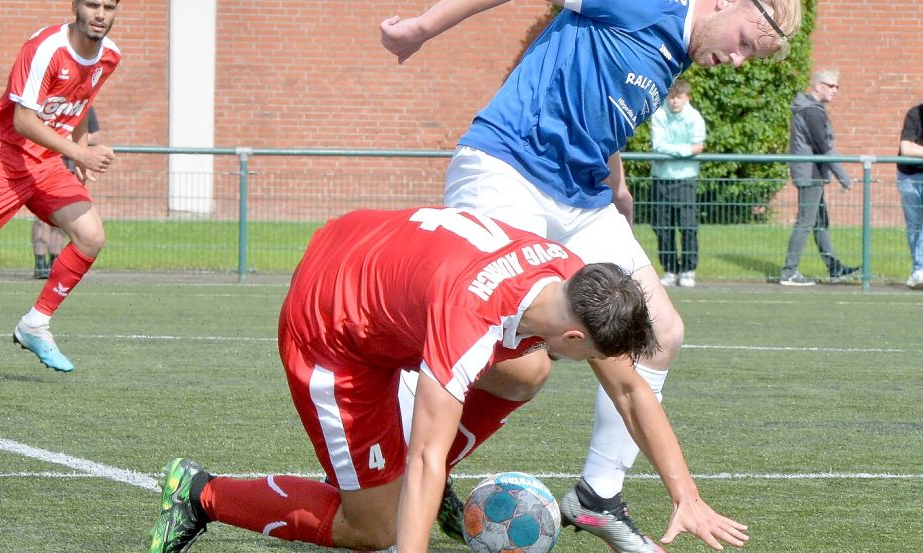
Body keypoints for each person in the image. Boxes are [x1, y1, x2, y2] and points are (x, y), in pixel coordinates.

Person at [380, 0, 800, 551]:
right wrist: (422, 28)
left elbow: (600, 105)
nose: (739, 60)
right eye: (745, 41)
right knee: (504, 349)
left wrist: (618, 184)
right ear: (728, 3)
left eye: (752, 56)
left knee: (660, 333)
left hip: (581, 197)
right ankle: (392, 469)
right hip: (510, 169)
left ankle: (598, 496)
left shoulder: (679, 50)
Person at [148, 206, 753, 553]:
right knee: (377, 528)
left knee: (526, 370)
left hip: (364, 249)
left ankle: (412, 506)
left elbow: (628, 388)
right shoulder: (468, 322)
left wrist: (686, 494)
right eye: (593, 353)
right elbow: (426, 459)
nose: (600, 364)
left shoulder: (568, 274)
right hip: (332, 327)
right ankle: (202, 492)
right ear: (576, 335)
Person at [0, 0, 121, 372]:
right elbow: (23, 120)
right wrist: (79, 153)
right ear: (75, 6)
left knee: (91, 236)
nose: (100, 14)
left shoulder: (110, 56)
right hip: (1, 157)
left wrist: (82, 148)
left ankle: (35, 324)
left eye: (109, 6)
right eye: (92, 4)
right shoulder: (45, 48)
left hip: (46, 163)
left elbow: (82, 102)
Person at [778, 69, 860, 286]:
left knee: (820, 222)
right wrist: (845, 177)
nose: (835, 91)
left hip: (813, 173)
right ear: (817, 85)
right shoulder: (812, 112)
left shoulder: (812, 110)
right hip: (810, 175)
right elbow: (825, 149)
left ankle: (835, 268)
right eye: (831, 86)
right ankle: (789, 272)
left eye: (837, 87)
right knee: (805, 223)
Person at [32, 107, 101, 279]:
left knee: (62, 222)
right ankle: (40, 262)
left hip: (69, 167)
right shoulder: (46, 105)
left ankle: (56, 261)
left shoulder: (83, 105)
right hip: (43, 166)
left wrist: (67, 141)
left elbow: (94, 135)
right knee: (42, 221)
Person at [650, 79, 707, 288]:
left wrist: (670, 151)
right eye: (671, 97)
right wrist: (684, 151)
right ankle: (670, 269)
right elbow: (657, 145)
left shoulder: (694, 117)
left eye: (679, 97)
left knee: (688, 226)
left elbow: (698, 147)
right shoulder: (658, 115)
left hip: (686, 178)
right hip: (661, 178)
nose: (674, 101)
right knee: (663, 226)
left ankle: (689, 270)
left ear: (687, 98)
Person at [896, 102, 923, 289]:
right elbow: (906, 149)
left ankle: (919, 269)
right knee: (914, 225)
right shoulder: (915, 114)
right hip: (909, 175)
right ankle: (919, 270)